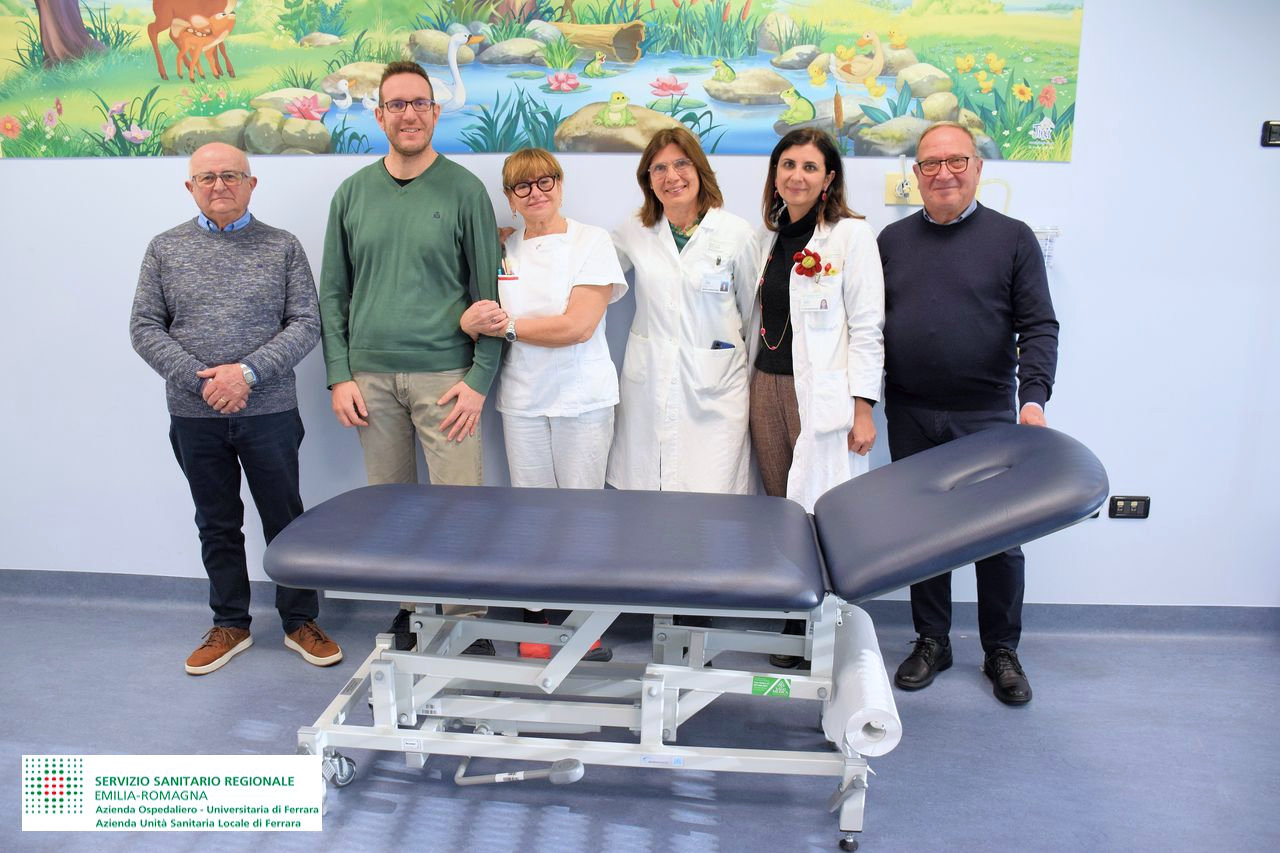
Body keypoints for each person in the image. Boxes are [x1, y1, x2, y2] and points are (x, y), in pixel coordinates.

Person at [130, 142, 341, 676]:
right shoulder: (164, 248)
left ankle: (300, 621)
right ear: (190, 187)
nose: (219, 185)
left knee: (285, 520)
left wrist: (244, 374)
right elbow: (145, 328)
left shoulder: (282, 246)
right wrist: (204, 382)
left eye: (230, 175)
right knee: (216, 522)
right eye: (207, 177)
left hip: (269, 411)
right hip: (194, 414)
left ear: (251, 183)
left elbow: (306, 324)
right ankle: (230, 623)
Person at [318, 60, 501, 654]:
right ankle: (412, 610)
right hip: (369, 380)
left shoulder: (464, 190)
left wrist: (480, 377)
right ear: (379, 116)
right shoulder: (352, 194)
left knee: (458, 505)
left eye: (419, 103)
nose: (409, 114)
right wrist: (339, 374)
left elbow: (489, 297)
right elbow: (333, 293)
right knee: (391, 506)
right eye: (396, 104)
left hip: (447, 378)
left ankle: (467, 619)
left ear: (435, 111)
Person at [878, 121, 1059, 705]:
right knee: (924, 535)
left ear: (978, 167)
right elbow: (867, 328)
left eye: (956, 161)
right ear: (916, 174)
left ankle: (1001, 650)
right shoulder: (891, 241)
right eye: (930, 164)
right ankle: (933, 641)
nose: (944, 173)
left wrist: (1033, 400)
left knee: (998, 536)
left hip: (987, 417)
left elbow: (1039, 326)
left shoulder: (1013, 238)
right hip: (910, 412)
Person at [461, 148, 625, 661]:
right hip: (523, 398)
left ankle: (582, 621)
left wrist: (506, 326)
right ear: (509, 197)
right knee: (531, 513)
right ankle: (537, 617)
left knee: (580, 512)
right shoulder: (503, 250)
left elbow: (578, 326)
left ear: (560, 183)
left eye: (544, 181)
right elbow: (475, 316)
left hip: (582, 397)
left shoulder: (592, 241)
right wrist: (475, 323)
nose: (535, 193)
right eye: (522, 186)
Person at [748, 128, 885, 667]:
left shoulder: (851, 235)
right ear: (775, 174)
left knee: (823, 508)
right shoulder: (769, 238)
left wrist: (863, 408)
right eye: (788, 165)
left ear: (829, 178)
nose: (797, 176)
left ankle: (826, 625)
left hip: (822, 393)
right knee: (781, 506)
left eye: (809, 167)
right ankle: (793, 613)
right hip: (766, 385)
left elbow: (868, 327)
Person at [607, 127, 760, 495]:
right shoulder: (634, 230)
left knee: (713, 495)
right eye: (659, 169)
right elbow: (594, 273)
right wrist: (531, 238)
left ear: (699, 169)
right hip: (650, 384)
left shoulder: (736, 233)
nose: (671, 177)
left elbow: (753, 316)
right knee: (649, 494)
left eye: (681, 164)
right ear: (648, 180)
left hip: (716, 387)